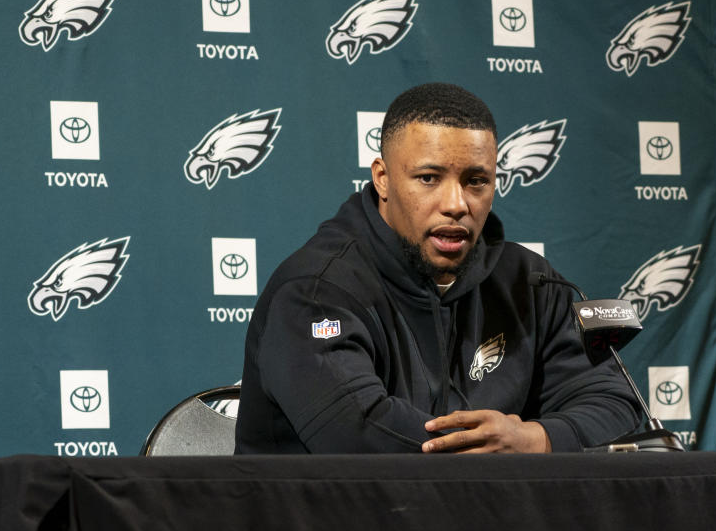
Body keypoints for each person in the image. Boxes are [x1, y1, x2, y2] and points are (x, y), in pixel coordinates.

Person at [235, 83, 641, 453]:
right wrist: (494, 454)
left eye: (476, 181)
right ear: (382, 179)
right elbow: (360, 434)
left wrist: (533, 440)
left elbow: (615, 403)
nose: (456, 203)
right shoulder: (316, 290)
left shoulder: (532, 283)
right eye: (429, 178)